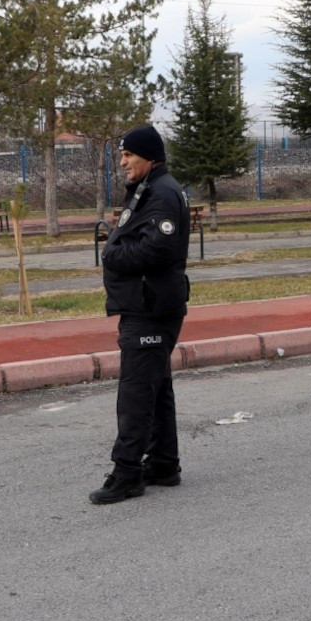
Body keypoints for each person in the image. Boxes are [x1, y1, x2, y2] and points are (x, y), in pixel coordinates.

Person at [90, 124, 191, 505]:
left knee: (135, 392)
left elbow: (158, 250)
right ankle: (164, 463)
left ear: (149, 156)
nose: (123, 162)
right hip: (145, 303)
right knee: (156, 386)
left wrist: (112, 254)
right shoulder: (148, 189)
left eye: (128, 155)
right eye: (121, 155)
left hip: (151, 309)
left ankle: (127, 472)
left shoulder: (162, 194)